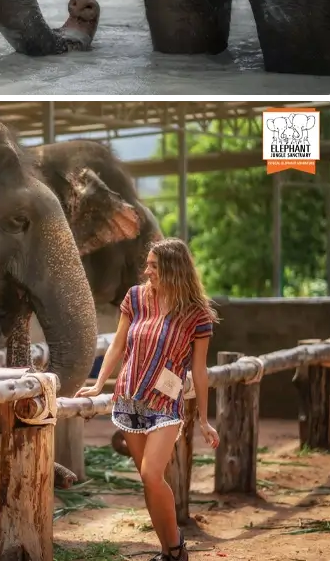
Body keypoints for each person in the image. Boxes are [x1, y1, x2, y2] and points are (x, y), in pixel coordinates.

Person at [76, 238, 220, 561]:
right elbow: (117, 346)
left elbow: (199, 371)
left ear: (172, 268)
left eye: (153, 265)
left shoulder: (197, 316)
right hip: (129, 398)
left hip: (166, 405)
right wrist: (99, 384)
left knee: (152, 474)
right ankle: (169, 552)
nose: (146, 271)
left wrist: (204, 421)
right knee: (148, 480)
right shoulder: (136, 298)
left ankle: (176, 549)